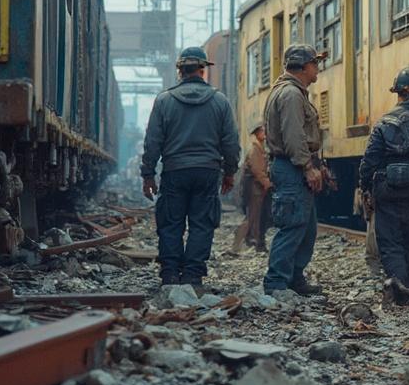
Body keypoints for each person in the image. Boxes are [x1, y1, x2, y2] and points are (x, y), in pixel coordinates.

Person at [141, 46, 240, 290]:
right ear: (203, 70)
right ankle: (193, 276)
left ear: (180, 71)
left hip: (174, 171)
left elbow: (153, 141)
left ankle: (170, 274)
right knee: (202, 224)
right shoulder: (220, 101)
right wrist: (229, 172)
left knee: (170, 223)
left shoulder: (164, 100)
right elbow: (230, 142)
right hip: (207, 172)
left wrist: (148, 174)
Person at [358, 67, 409, 304]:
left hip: (387, 190)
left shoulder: (383, 123)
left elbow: (369, 161)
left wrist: (365, 187)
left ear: (398, 93)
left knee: (390, 241)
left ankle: (398, 286)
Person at [262, 44, 329, 295]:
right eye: (315, 63)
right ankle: (276, 283)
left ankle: (294, 277)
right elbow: (293, 136)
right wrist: (307, 167)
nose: (317, 68)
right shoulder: (291, 94)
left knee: (306, 228)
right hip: (292, 167)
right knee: (292, 226)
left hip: (291, 166)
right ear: (303, 66)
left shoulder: (291, 92)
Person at [232, 123, 272, 254]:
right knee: (252, 216)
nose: (265, 133)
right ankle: (238, 244)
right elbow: (257, 170)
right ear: (257, 133)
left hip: (257, 188)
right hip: (255, 189)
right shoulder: (255, 149)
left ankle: (253, 241)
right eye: (262, 131)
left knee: (256, 216)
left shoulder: (258, 148)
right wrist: (267, 183)